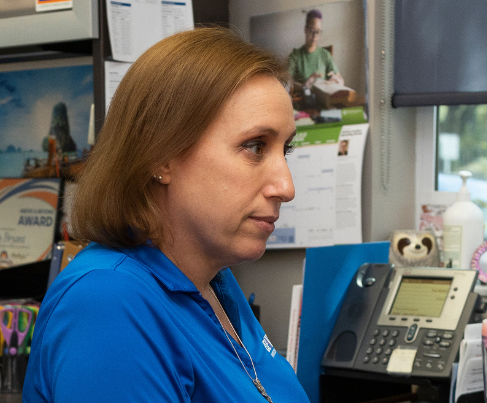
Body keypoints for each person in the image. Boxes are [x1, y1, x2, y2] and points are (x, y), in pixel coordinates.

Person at [24, 27, 308, 402]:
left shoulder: (215, 283)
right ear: (161, 155)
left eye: (284, 150)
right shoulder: (108, 304)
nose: (286, 188)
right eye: (255, 146)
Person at [286, 9, 342, 112]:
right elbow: (286, 80)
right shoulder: (295, 56)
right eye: (312, 30)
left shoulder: (325, 55)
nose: (315, 35)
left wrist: (336, 81)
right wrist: (302, 86)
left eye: (318, 31)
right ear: (305, 29)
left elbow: (339, 79)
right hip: (303, 106)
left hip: (324, 106)